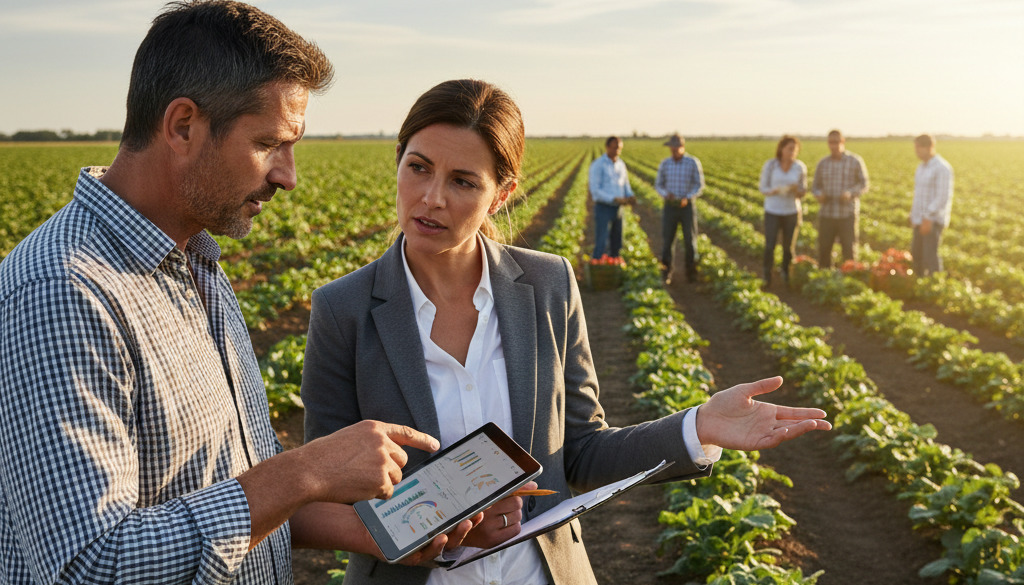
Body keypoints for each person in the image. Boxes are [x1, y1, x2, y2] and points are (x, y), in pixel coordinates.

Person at [0, 3, 476, 583]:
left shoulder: (195, 261)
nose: (287, 176)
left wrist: (369, 529)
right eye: (269, 144)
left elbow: (212, 488)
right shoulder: (61, 293)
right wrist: (302, 473)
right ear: (182, 127)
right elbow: (91, 566)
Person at [301, 79, 832, 585]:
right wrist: (439, 528)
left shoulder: (548, 284)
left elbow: (579, 452)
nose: (431, 197)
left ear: (502, 193)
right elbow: (324, 494)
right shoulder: (342, 309)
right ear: (399, 162)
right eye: (418, 168)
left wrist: (699, 427)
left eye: (463, 181)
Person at [811, 129, 869, 268]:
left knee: (848, 249)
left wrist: (850, 193)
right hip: (827, 213)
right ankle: (825, 278)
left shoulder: (855, 161)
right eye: (831, 142)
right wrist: (819, 194)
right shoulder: (823, 163)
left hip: (847, 214)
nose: (834, 145)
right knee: (824, 249)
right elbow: (815, 186)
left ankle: (849, 279)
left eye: (837, 142)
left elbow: (864, 184)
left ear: (843, 142)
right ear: (828, 144)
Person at [655, 133, 705, 283]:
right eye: (672, 148)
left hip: (687, 206)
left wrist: (687, 197)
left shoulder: (692, 162)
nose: (674, 150)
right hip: (670, 206)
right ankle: (666, 270)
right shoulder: (665, 164)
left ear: (683, 147)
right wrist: (666, 194)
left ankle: (691, 271)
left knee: (690, 240)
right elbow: (658, 184)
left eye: (677, 148)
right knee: (668, 239)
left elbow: (699, 185)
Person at [758, 135, 807, 286]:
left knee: (788, 246)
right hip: (773, 210)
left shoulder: (799, 167)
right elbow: (762, 187)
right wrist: (774, 190)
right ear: (781, 149)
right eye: (789, 149)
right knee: (770, 244)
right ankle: (767, 274)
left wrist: (796, 190)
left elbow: (803, 191)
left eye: (795, 149)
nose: (792, 152)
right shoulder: (771, 165)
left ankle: (786, 273)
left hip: (791, 211)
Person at [909, 134, 954, 277]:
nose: (916, 151)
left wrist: (928, 218)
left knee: (930, 255)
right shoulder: (921, 167)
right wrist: (913, 215)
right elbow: (919, 195)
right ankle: (919, 283)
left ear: (929, 147)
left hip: (932, 221)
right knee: (916, 254)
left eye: (918, 148)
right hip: (919, 219)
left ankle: (935, 286)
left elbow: (942, 197)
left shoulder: (942, 168)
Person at [588, 136, 634, 264]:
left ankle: (613, 266)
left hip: (618, 209)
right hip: (603, 207)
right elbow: (595, 191)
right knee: (601, 240)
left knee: (616, 241)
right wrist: (614, 198)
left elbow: (625, 185)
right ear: (607, 147)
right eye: (614, 148)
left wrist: (630, 196)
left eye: (619, 148)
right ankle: (597, 266)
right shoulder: (598, 165)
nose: (616, 151)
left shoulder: (621, 164)